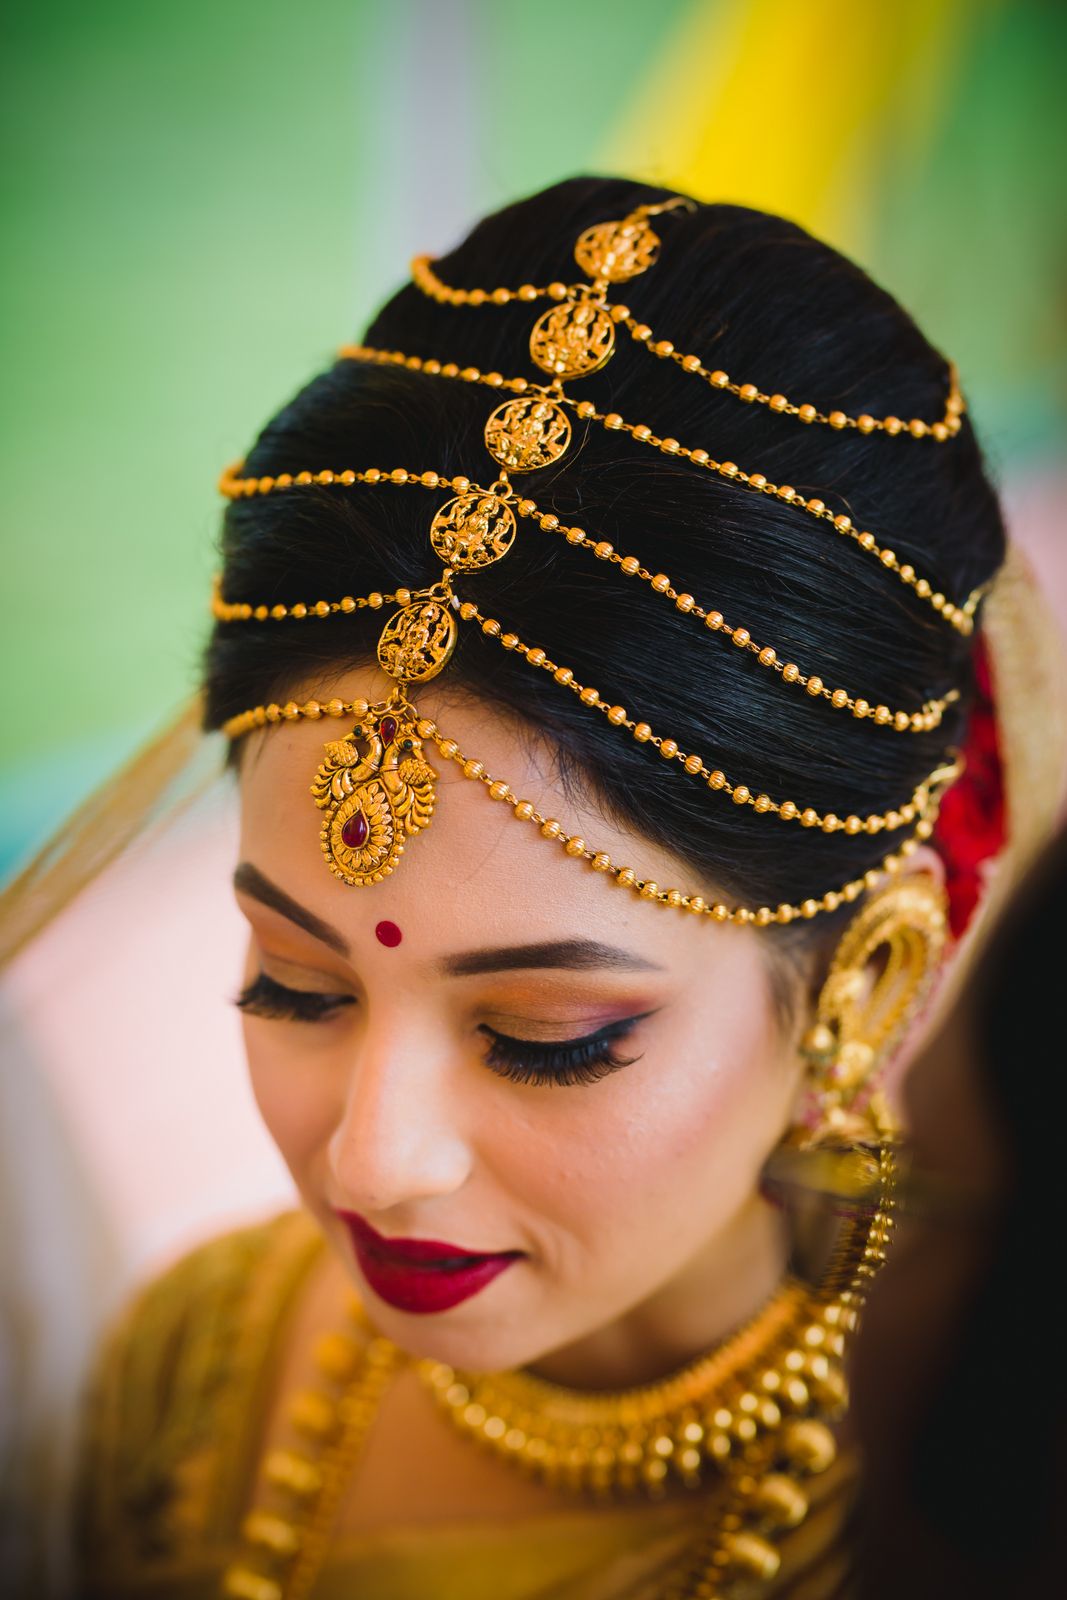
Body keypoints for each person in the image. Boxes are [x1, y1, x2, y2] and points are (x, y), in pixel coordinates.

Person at [6, 175, 1061, 1599]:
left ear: (865, 986)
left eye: (545, 1036)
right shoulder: (206, 1370)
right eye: (293, 982)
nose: (375, 1162)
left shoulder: (972, 1490)